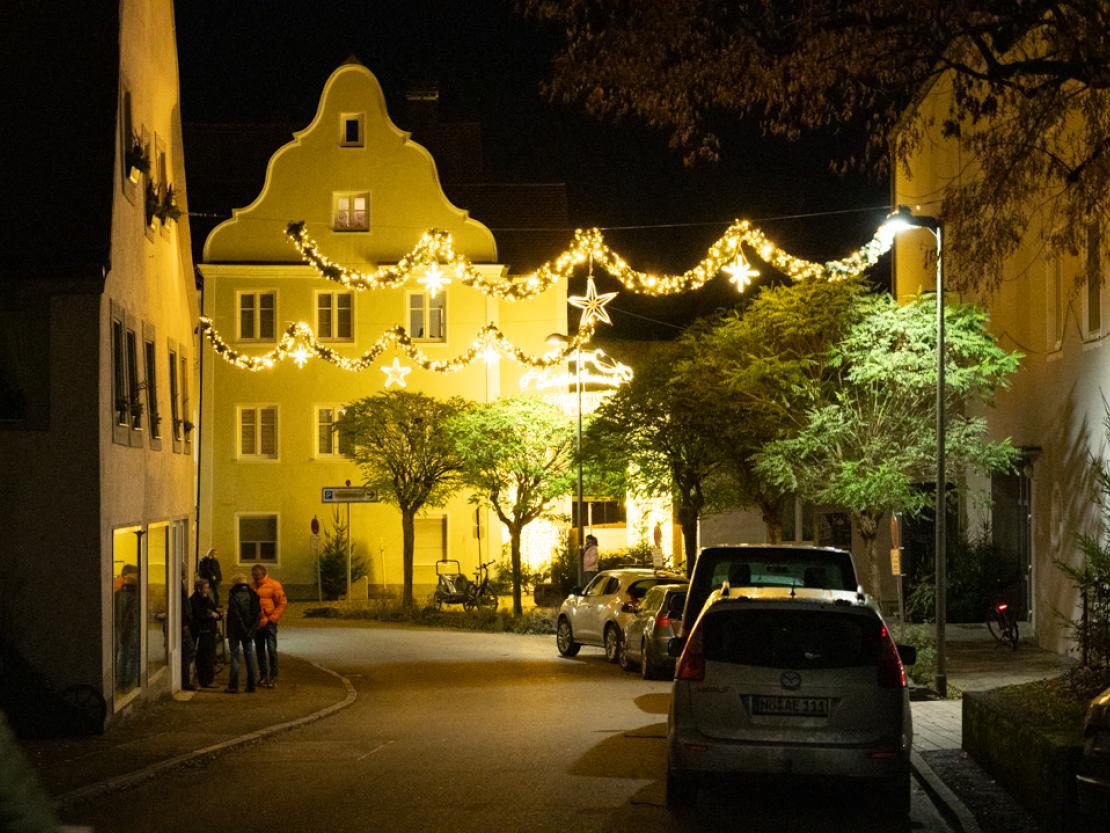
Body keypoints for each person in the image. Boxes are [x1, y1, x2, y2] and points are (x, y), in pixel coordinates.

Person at [251, 564, 287, 688]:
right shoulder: (252, 587)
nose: (256, 579)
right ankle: (263, 676)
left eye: (258, 576)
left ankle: (273, 676)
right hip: (258, 622)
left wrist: (272, 619)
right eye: (254, 576)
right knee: (260, 650)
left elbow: (282, 604)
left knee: (271, 649)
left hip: (269, 622)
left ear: (263, 575)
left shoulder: (274, 585)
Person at [224, 574, 261, 694]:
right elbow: (257, 615)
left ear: (235, 583)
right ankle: (251, 685)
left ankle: (234, 685)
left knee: (235, 657)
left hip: (235, 630)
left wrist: (243, 629)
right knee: (249, 656)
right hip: (249, 631)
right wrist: (250, 630)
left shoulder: (234, 596)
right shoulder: (253, 595)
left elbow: (236, 616)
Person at [189, 578, 221, 688]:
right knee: (202, 657)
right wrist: (210, 614)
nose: (208, 590)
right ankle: (203, 680)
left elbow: (214, 611)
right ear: (199, 588)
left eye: (208, 588)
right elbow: (197, 614)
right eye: (206, 587)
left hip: (209, 631)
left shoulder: (207, 599)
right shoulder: (195, 600)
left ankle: (208, 679)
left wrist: (215, 614)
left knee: (209, 656)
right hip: (201, 631)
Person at [180, 576, 196, 691]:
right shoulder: (180, 587)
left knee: (186, 653)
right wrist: (188, 620)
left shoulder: (178, 586)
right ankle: (185, 682)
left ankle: (184, 681)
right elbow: (185, 607)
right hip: (183, 625)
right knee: (188, 653)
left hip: (181, 624)